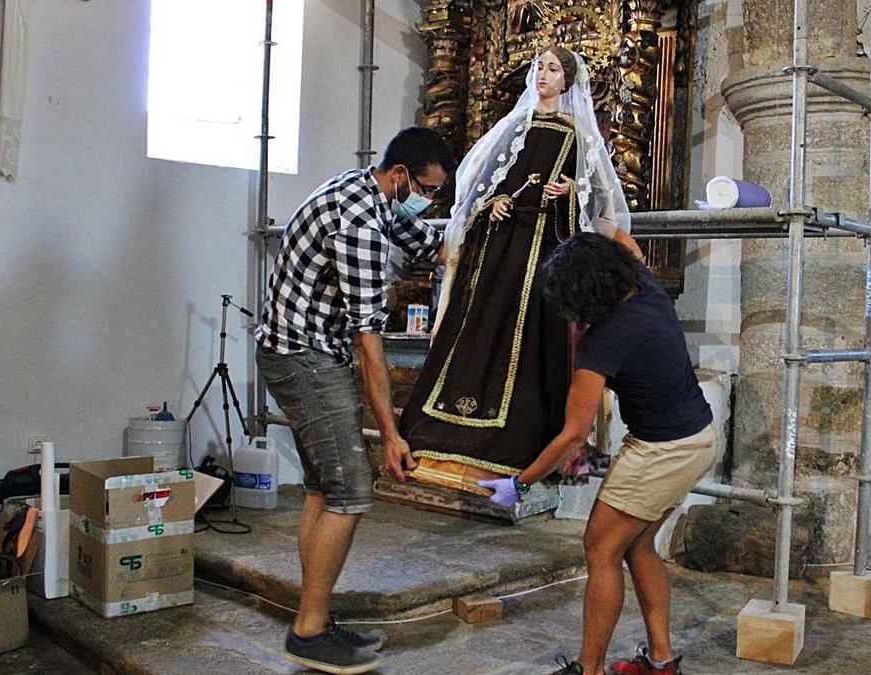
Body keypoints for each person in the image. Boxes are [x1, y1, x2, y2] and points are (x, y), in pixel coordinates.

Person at [254, 126, 457, 674]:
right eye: (428, 190)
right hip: (305, 359)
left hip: (296, 351)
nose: (429, 201)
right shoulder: (362, 222)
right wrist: (390, 432)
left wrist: (475, 251)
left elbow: (429, 244)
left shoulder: (366, 190)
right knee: (351, 492)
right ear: (400, 176)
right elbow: (371, 341)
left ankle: (314, 616)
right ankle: (308, 632)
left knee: (324, 489)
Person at [399, 45, 641, 484]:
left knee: (527, 344)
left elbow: (591, 207)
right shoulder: (510, 130)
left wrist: (568, 194)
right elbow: (479, 188)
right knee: (477, 332)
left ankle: (518, 440)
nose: (543, 75)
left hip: (543, 253)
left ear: (567, 80)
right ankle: (446, 436)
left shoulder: (576, 135)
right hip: (498, 252)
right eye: (538, 67)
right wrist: (494, 202)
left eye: (552, 69)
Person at [479, 233, 719, 675]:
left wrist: (520, 483)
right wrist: (582, 217)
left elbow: (573, 436)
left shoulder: (603, 344)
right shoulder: (644, 284)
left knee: (600, 549)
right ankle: (662, 662)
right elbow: (621, 235)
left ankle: (588, 670)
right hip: (699, 438)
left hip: (660, 451)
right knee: (638, 544)